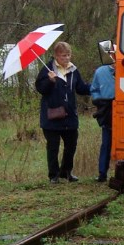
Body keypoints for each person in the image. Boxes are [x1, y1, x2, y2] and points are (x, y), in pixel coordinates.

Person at [34, 41, 91, 183]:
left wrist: (96, 86)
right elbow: (40, 89)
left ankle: (66, 172)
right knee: (53, 147)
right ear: (56, 56)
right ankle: (53, 175)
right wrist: (49, 81)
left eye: (68, 55)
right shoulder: (47, 69)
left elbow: (81, 88)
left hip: (70, 116)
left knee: (71, 145)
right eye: (63, 56)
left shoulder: (73, 70)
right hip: (52, 116)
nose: (66, 58)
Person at [89, 49, 116, 183]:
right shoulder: (101, 72)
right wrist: (99, 101)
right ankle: (102, 173)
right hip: (107, 109)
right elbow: (94, 89)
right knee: (106, 142)